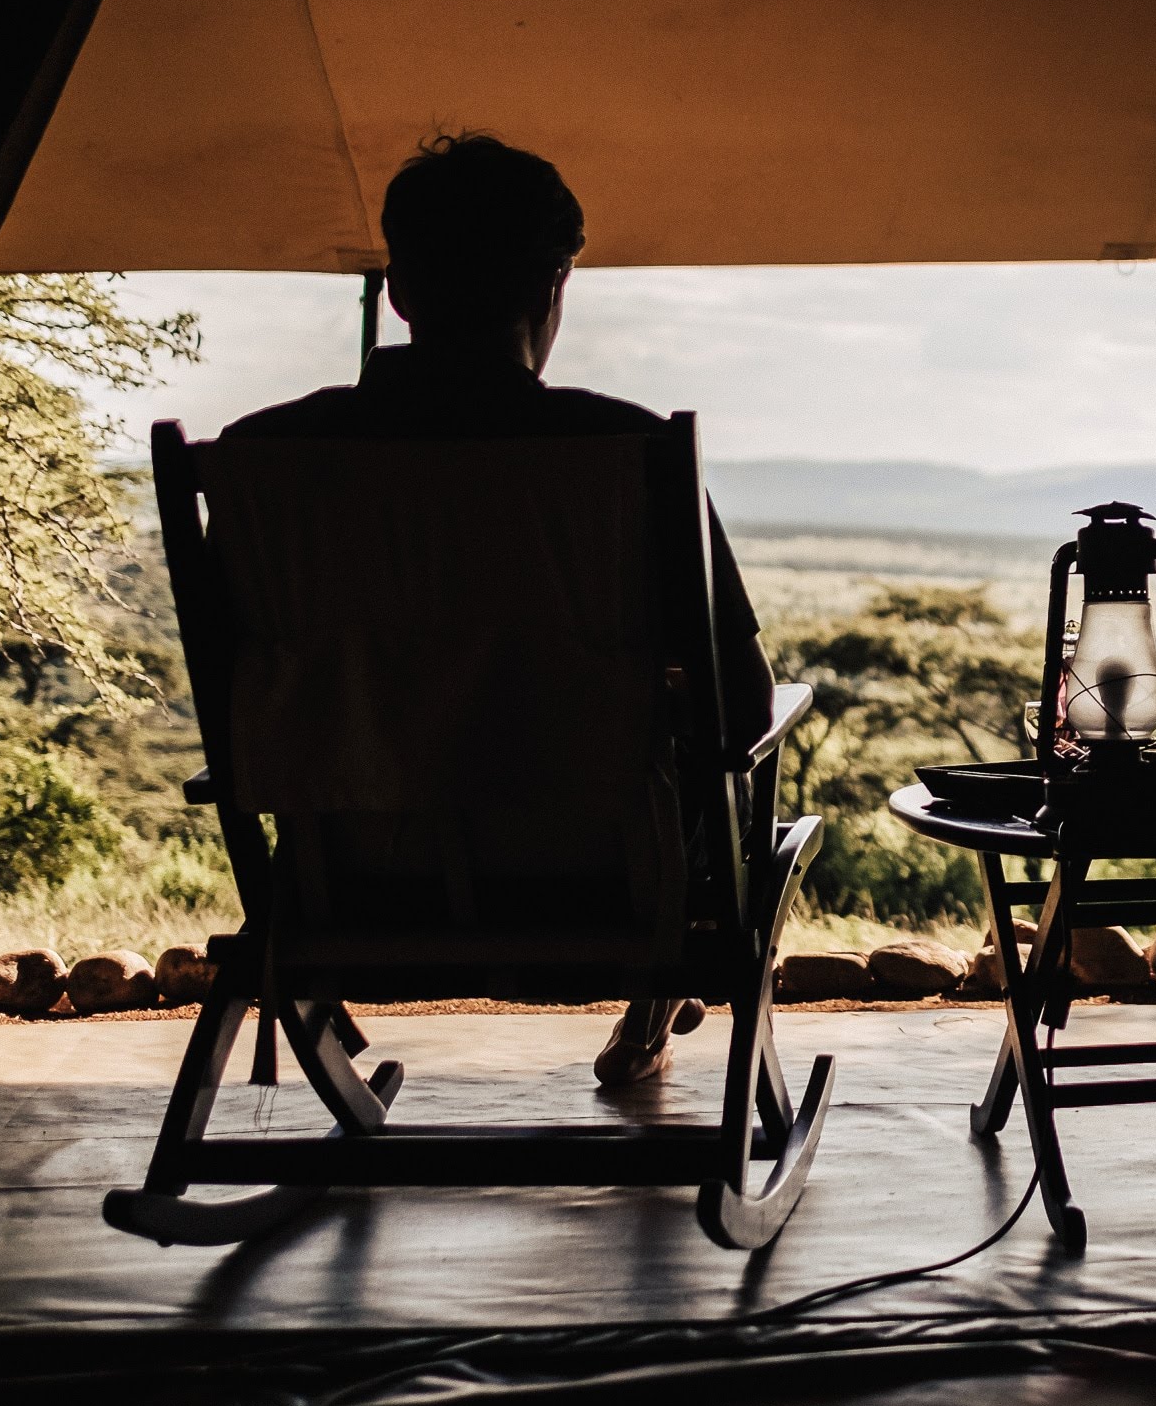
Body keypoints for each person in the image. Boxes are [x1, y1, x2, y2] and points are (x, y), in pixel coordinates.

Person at [224, 132, 773, 1088]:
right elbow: (748, 711)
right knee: (717, 770)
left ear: (398, 290)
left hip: (354, 894)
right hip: (606, 894)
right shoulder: (629, 454)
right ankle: (653, 1001)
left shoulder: (264, 457)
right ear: (555, 281)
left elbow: (250, 694)